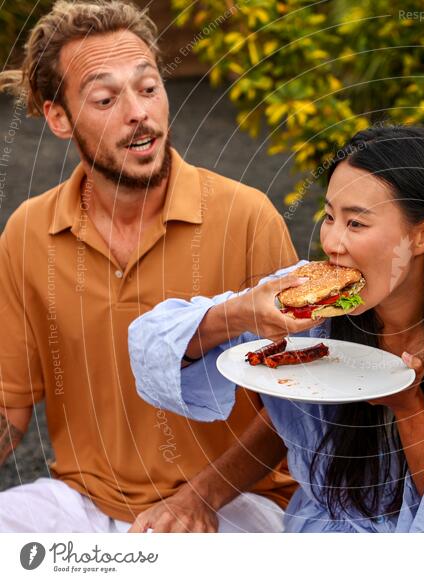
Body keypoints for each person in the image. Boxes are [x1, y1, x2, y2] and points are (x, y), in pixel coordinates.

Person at [129, 125, 424, 532]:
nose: (332, 243)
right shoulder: (310, 303)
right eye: (329, 216)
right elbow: (153, 343)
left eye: (356, 223)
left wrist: (409, 409)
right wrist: (243, 313)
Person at [0, 0, 303, 532]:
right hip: (81, 503)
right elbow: (10, 405)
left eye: (147, 87)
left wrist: (200, 497)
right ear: (58, 117)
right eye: (105, 98)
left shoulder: (246, 216)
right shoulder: (28, 231)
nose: (139, 112)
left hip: (235, 502)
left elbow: (296, 403)